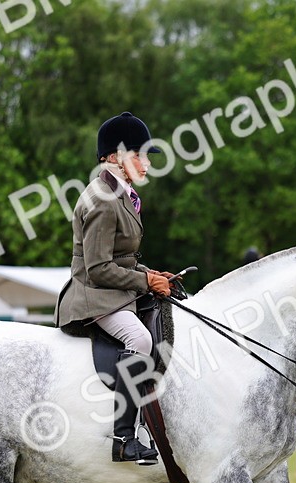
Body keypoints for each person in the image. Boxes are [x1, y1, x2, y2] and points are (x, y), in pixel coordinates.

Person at [54, 111, 176, 465]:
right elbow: (98, 268)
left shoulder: (121, 195)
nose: (147, 164)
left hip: (113, 292)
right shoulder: (102, 200)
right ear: (113, 157)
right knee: (139, 340)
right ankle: (123, 437)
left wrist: (152, 274)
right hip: (93, 297)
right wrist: (143, 281)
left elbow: (121, 257)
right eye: (140, 155)